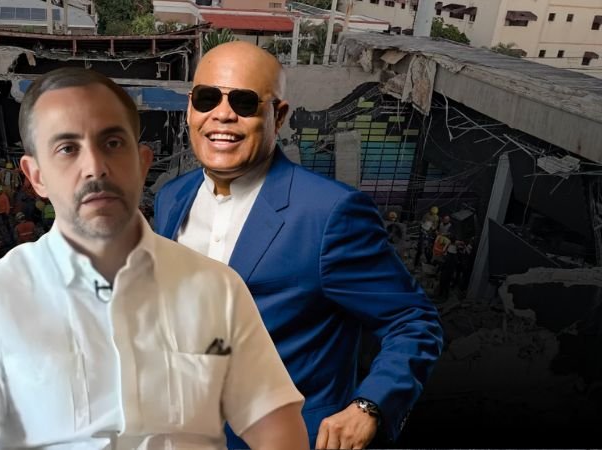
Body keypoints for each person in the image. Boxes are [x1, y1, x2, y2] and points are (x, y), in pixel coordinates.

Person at [0, 67, 308, 450]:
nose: (95, 168)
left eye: (113, 143)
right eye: (67, 149)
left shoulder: (217, 289)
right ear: (36, 176)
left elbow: (276, 427)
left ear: (143, 162)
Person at [153, 41, 444, 450]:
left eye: (244, 102)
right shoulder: (171, 198)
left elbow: (413, 320)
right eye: (207, 99)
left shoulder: (331, 214)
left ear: (279, 115)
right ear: (190, 109)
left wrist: (370, 406)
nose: (222, 114)